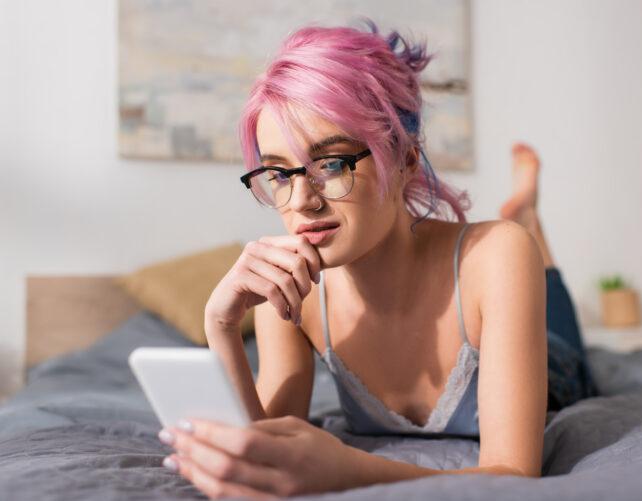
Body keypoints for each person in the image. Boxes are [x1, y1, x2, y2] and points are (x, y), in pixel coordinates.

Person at [155, 20, 599, 499]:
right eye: (279, 174)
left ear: (405, 160)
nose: (302, 200)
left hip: (554, 369)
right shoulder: (290, 289)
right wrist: (219, 326)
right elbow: (261, 445)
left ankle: (530, 218)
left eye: (331, 164)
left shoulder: (496, 253)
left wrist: (349, 470)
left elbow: (513, 474)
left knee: (559, 325)